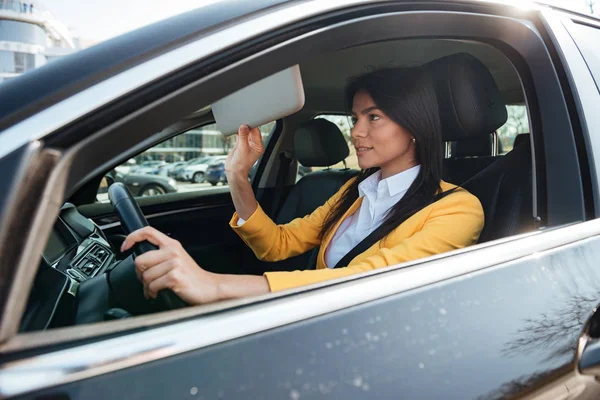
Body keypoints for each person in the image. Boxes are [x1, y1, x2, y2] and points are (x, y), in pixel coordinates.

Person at [121, 67, 484, 305]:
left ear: (415, 127)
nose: (356, 131)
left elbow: (366, 281)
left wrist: (214, 286)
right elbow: (278, 245)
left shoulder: (458, 208)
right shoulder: (354, 192)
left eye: (374, 117)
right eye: (355, 118)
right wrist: (237, 177)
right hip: (319, 316)